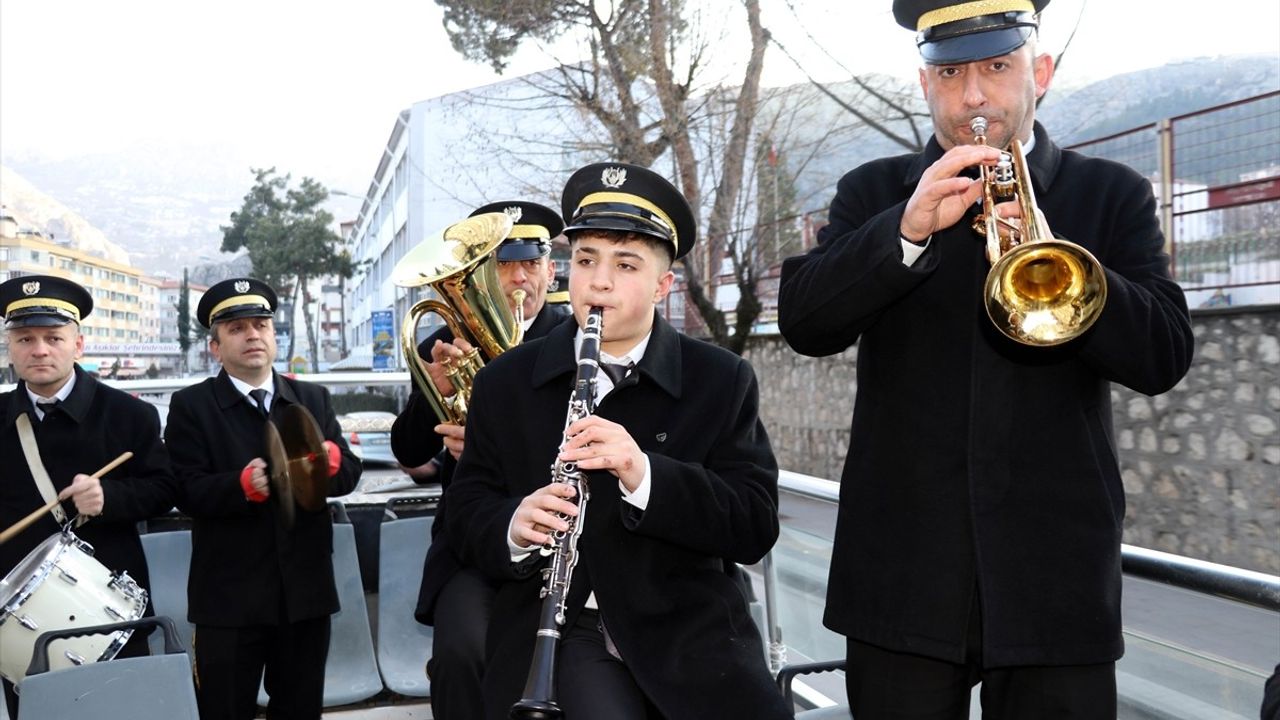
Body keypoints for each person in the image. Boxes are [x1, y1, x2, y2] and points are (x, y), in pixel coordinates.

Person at [777, 1, 1195, 717]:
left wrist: (1063, 255)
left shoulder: (1111, 194)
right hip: (902, 575)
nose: (973, 96)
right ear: (924, 84)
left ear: (1041, 73)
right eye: (950, 75)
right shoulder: (874, 192)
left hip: (1055, 578)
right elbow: (806, 323)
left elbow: (1162, 357)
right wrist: (905, 230)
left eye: (997, 67)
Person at [446, 162, 791, 720]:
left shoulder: (720, 379)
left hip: (687, 628)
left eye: (625, 265)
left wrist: (644, 474)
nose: (599, 282)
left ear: (662, 285)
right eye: (586, 260)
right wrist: (513, 524)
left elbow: (753, 525)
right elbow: (465, 513)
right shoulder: (505, 381)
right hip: (558, 627)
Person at [390, 200, 571, 719]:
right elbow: (408, 451)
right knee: (460, 656)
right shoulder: (445, 341)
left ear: (550, 270)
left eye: (531, 263)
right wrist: (436, 397)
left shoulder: (576, 339)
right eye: (504, 264)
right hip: (472, 539)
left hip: (560, 537)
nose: (519, 278)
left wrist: (489, 441)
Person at [164, 277, 361, 720]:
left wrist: (331, 464)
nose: (252, 335)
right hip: (229, 597)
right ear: (215, 348)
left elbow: (349, 473)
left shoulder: (311, 398)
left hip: (305, 591)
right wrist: (239, 487)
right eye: (236, 328)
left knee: (300, 709)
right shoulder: (192, 406)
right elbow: (182, 489)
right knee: (224, 709)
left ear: (274, 335)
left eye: (261, 325)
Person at [0, 275, 175, 717]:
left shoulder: (130, 414)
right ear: (10, 348)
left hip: (113, 605)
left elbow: (164, 488)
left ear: (78, 345)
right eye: (25, 339)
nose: (40, 350)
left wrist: (109, 497)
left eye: (54, 338)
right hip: (21, 615)